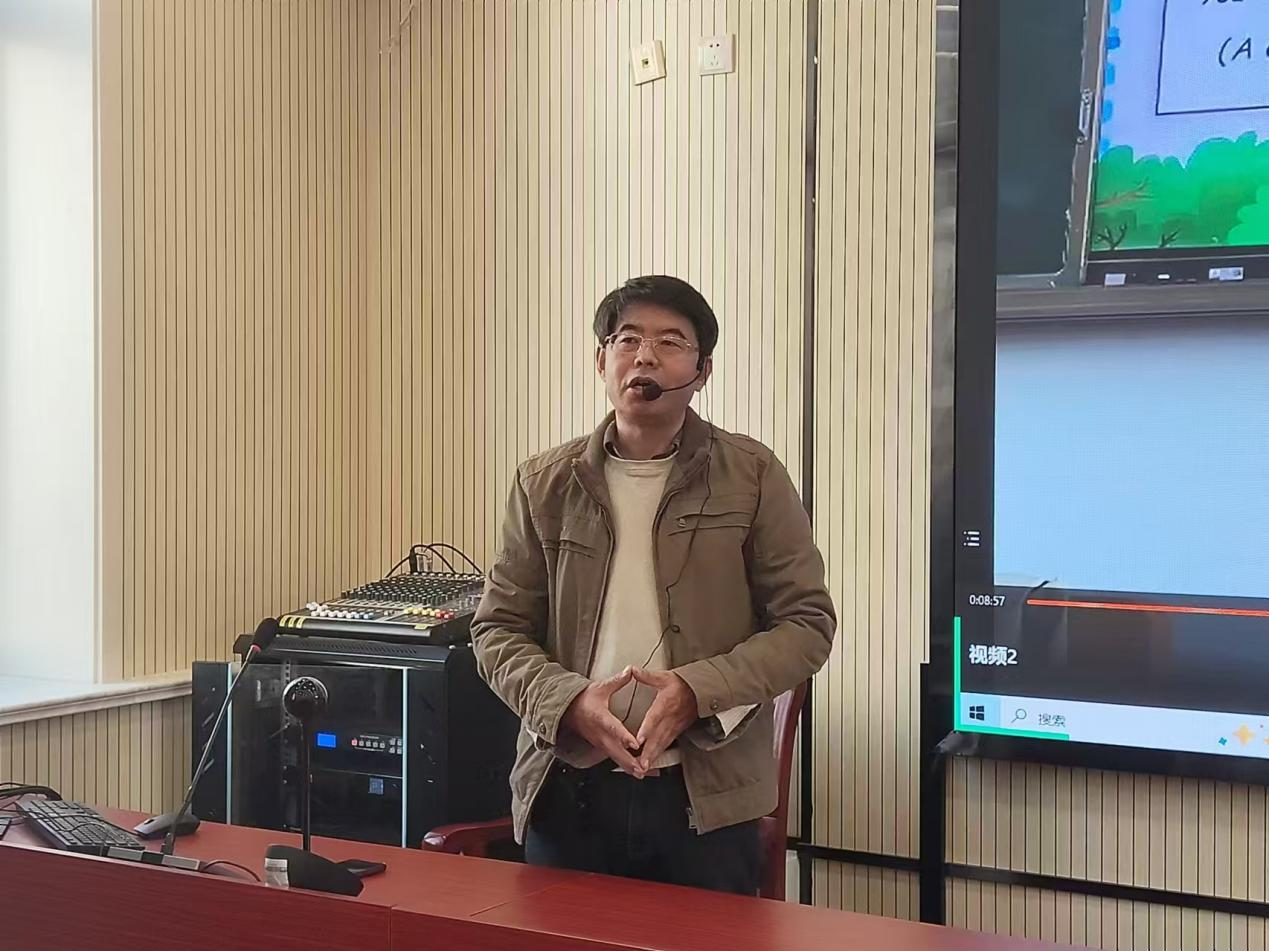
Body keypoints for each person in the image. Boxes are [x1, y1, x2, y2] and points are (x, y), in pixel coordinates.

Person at [471, 274, 836, 895]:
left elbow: (807, 625)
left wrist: (696, 691)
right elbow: (496, 631)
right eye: (627, 339)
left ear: (702, 370)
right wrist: (570, 703)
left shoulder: (751, 475)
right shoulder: (544, 483)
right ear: (601, 361)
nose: (645, 356)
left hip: (705, 800)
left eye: (670, 342)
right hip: (567, 787)